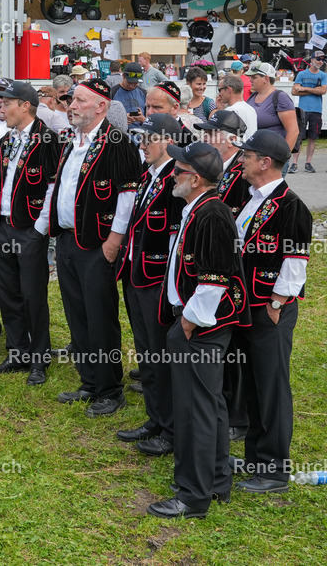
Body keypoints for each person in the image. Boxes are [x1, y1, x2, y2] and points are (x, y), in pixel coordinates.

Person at [147, 141, 248, 520]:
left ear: (194, 178)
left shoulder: (212, 215)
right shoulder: (198, 208)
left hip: (200, 326)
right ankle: (217, 479)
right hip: (193, 321)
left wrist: (188, 322)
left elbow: (215, 278)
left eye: (177, 171)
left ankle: (193, 495)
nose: (172, 176)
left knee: (195, 410)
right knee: (209, 405)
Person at [35, 79, 140, 417]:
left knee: (100, 317)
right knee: (77, 315)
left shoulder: (117, 141)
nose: (71, 105)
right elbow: (60, 186)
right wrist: (45, 226)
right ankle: (89, 380)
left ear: (101, 107)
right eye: (70, 100)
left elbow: (127, 195)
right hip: (67, 239)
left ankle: (110, 389)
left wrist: (113, 241)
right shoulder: (71, 140)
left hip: (97, 243)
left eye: (79, 100)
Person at [231, 130, 312, 494]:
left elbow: (295, 262)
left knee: (272, 388)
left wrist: (277, 303)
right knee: (252, 384)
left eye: (247, 155)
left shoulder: (290, 205)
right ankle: (255, 458)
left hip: (269, 310)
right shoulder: (252, 198)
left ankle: (275, 469)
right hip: (248, 306)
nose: (241, 160)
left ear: (265, 162)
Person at [115, 114, 186, 457]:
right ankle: (155, 420)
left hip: (157, 281)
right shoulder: (149, 174)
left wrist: (173, 289)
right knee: (147, 353)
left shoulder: (176, 179)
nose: (141, 145)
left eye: (148, 139)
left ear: (167, 142)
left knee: (161, 356)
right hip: (135, 273)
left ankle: (171, 430)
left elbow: (176, 240)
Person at [0, 82, 59, 385]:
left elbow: (53, 186)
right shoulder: (5, 140)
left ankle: (39, 357)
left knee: (33, 295)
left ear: (25, 105)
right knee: (9, 293)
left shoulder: (47, 139)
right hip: (1, 225)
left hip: (29, 228)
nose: (3, 108)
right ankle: (17, 352)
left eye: (7, 102)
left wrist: (40, 228)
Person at [194, 109, 251, 441]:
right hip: (218, 264)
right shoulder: (221, 169)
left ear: (230, 140)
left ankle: (238, 416)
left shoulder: (242, 170)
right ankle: (229, 407)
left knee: (237, 345)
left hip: (236, 268)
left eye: (211, 133)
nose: (205, 138)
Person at [245, 62, 299, 173]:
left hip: (273, 159)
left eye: (254, 77)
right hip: (256, 157)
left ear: (266, 78)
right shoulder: (253, 96)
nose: (250, 80)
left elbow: (293, 131)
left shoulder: (280, 97)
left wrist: (282, 157)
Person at [291, 50, 326, 173]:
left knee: (313, 137)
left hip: (316, 110)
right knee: (299, 137)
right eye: (318, 59)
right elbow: (294, 91)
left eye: (322, 59)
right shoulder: (301, 74)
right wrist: (314, 89)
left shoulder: (323, 75)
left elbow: (323, 91)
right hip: (303, 110)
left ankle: (308, 163)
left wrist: (304, 88)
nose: (321, 61)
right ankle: (294, 164)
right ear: (311, 60)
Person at [215, 74, 258, 141]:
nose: (219, 94)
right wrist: (221, 110)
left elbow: (222, 138)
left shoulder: (231, 111)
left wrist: (220, 111)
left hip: (236, 149)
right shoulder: (251, 109)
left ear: (228, 89)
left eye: (220, 90)